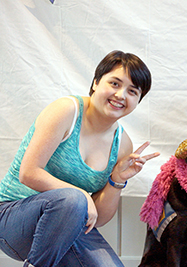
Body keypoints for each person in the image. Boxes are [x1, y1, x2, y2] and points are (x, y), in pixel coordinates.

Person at [0, 50, 160, 267]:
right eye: (114, 83)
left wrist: (117, 180)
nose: (121, 95)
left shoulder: (123, 144)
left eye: (132, 91)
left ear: (138, 100)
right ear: (95, 82)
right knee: (72, 200)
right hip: (13, 217)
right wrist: (82, 195)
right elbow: (28, 172)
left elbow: (98, 219)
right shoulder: (67, 110)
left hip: (66, 227)